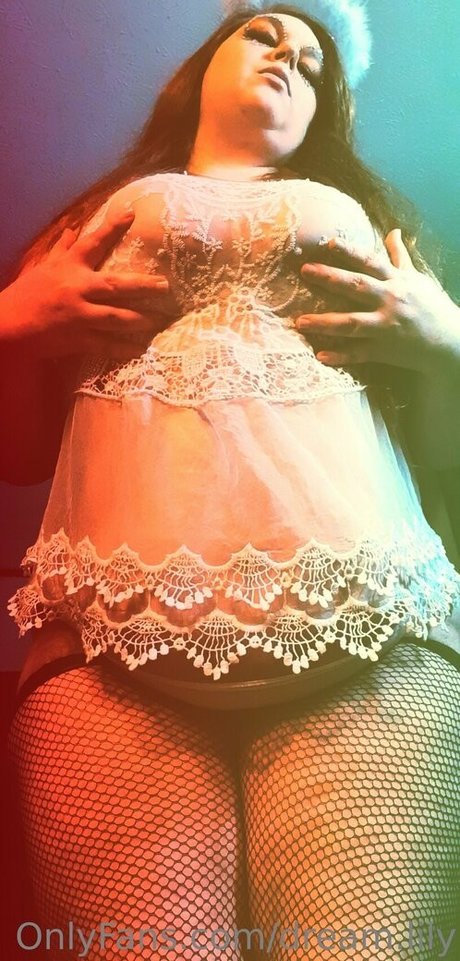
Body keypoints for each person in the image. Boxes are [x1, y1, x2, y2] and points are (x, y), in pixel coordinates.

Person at [4, 3, 460, 959]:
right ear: (201, 67)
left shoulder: (377, 236)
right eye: (265, 34)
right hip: (106, 663)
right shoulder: (95, 223)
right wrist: (10, 322)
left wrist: (448, 344)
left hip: (372, 649)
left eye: (315, 63)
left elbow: (442, 450)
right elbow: (18, 452)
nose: (290, 56)